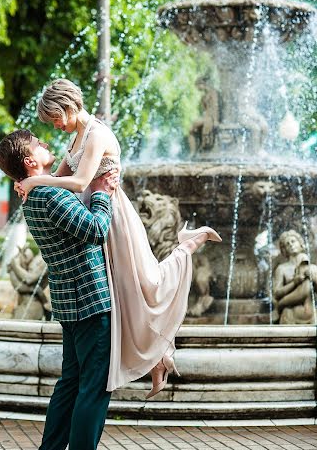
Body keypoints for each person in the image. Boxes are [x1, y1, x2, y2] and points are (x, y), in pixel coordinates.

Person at [15, 78, 222, 397]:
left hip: (112, 217)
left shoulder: (96, 134)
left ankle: (187, 245)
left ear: (68, 107)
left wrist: (34, 182)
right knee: (125, 300)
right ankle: (159, 362)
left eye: (56, 119)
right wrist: (29, 182)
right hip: (94, 215)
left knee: (144, 287)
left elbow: (82, 181)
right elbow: (58, 178)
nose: (56, 127)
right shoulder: (76, 138)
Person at [0, 130, 125, 450]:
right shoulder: (51, 195)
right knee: (94, 386)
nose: (46, 144)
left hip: (68, 301)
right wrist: (101, 195)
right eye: (38, 143)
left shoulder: (35, 195)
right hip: (90, 300)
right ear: (30, 161)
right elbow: (97, 230)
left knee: (70, 384)